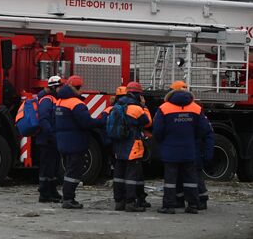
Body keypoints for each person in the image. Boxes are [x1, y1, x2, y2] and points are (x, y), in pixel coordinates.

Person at [153, 80, 213, 215]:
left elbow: (157, 130)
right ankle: (192, 205)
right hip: (189, 150)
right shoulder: (196, 108)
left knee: (170, 180)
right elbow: (203, 129)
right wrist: (192, 138)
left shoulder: (164, 108)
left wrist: (163, 141)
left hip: (170, 151)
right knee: (190, 179)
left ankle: (169, 206)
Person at [55, 75, 101, 209]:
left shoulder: (60, 101)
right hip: (75, 143)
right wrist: (103, 120)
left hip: (63, 142)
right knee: (74, 172)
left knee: (69, 170)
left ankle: (66, 196)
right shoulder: (76, 104)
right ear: (77, 88)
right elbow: (87, 123)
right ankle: (68, 199)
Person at [111, 82, 152, 212]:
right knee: (131, 176)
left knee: (119, 174)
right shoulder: (136, 109)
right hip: (132, 146)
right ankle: (130, 202)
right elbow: (147, 122)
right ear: (138, 95)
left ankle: (119, 202)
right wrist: (144, 106)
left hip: (119, 144)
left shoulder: (117, 106)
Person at [174, 81, 214, 211]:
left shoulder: (192, 109)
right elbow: (207, 132)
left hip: (190, 148)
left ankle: (199, 199)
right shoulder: (195, 109)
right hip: (191, 148)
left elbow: (206, 132)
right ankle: (192, 199)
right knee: (189, 175)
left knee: (193, 175)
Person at [36, 75, 64, 203]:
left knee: (53, 167)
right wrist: (52, 135)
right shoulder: (47, 100)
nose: (61, 89)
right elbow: (44, 119)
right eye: (59, 87)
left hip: (52, 139)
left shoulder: (53, 98)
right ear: (54, 87)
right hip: (47, 139)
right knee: (47, 167)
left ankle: (52, 191)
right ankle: (44, 194)